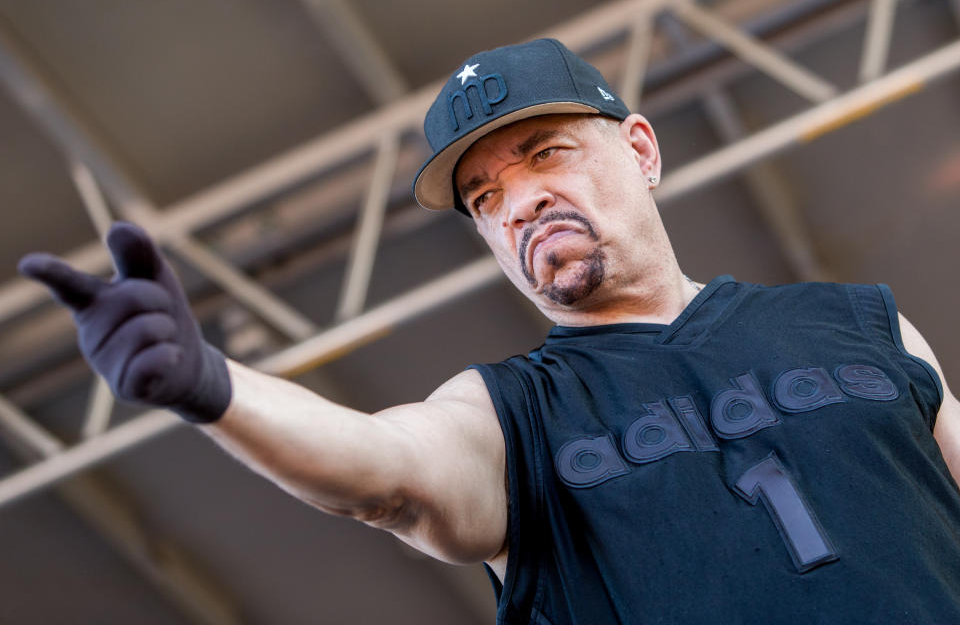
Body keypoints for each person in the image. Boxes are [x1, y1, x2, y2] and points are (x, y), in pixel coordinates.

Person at [18, 38, 960, 624]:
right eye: (485, 197)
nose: (520, 203)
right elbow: (384, 470)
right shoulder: (508, 414)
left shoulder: (861, 323)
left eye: (545, 153)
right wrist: (213, 386)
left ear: (639, 149)